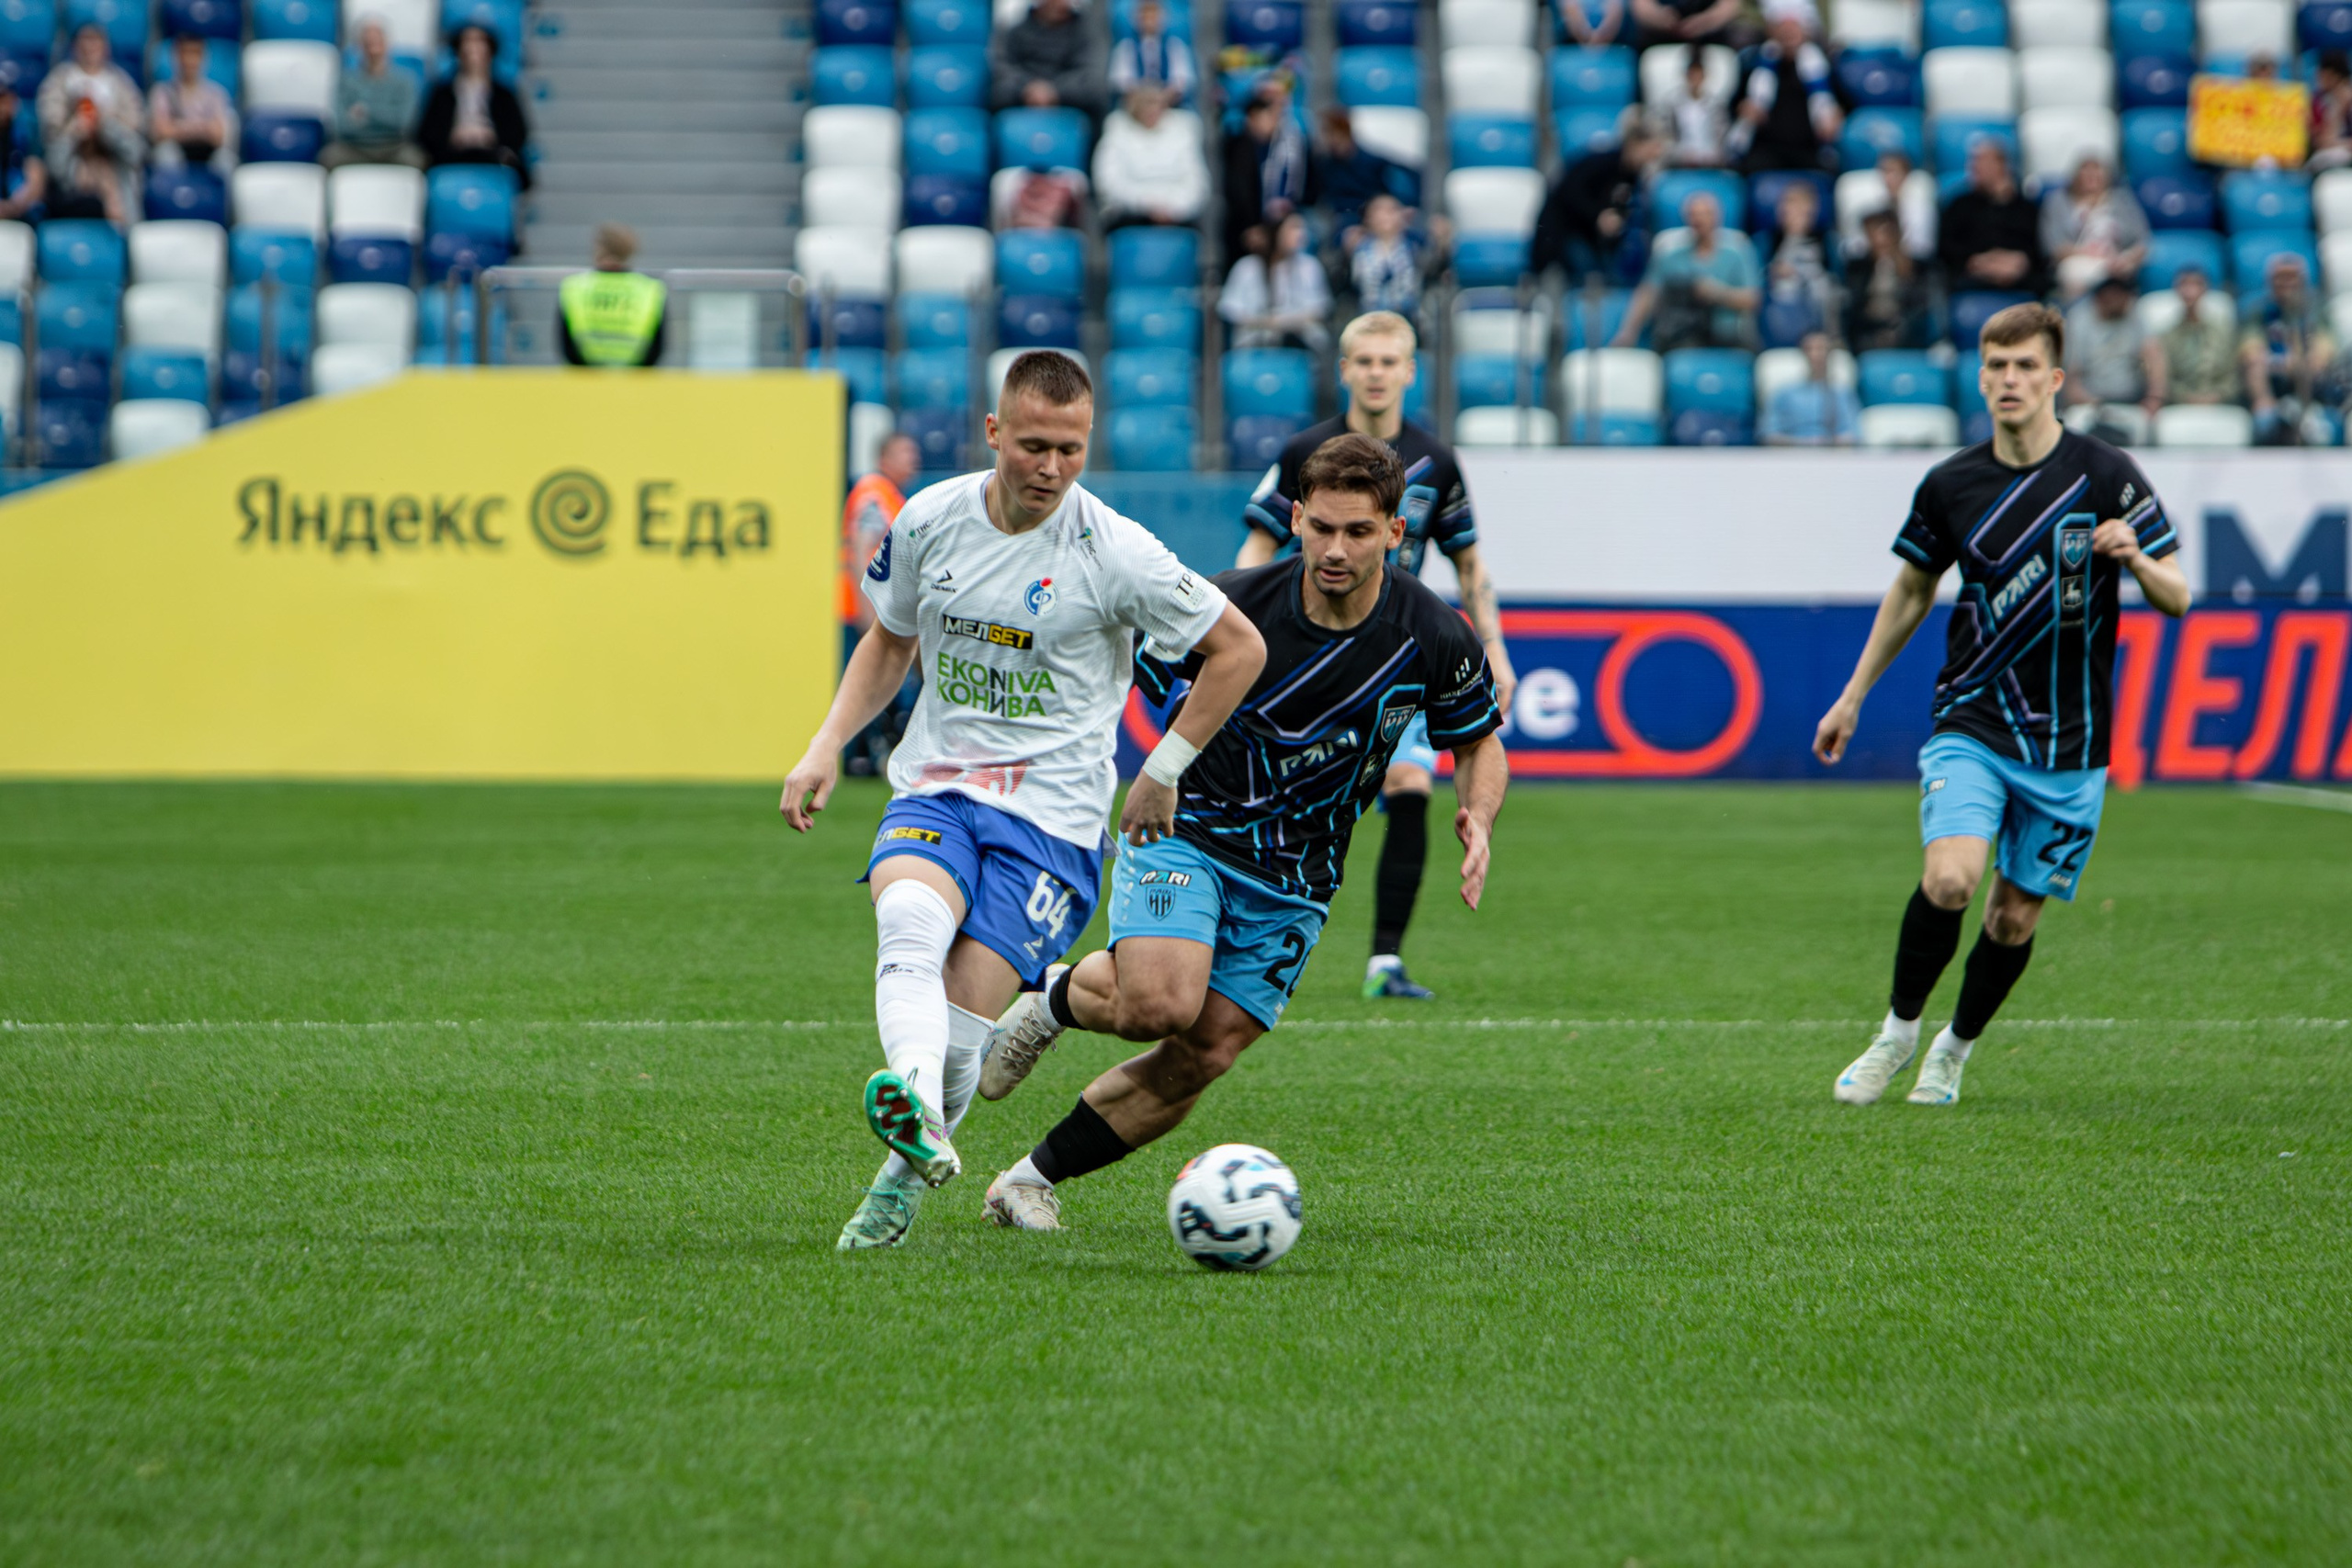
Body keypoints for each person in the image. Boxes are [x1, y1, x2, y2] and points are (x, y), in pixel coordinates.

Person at [780, 351, 1266, 1252]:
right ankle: (917, 1103)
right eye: (1033, 445)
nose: (1050, 468)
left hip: (1052, 824)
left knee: (966, 1030)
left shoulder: (1115, 551)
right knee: (909, 931)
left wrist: (1164, 765)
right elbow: (889, 640)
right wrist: (825, 744)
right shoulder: (929, 519)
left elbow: (1239, 648)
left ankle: (900, 1176)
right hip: (938, 785)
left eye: (1071, 450)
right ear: (994, 432)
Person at [974, 434, 1509, 1230]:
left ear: (1397, 533)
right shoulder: (1229, 608)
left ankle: (1025, 1180)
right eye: (1321, 526)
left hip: (1299, 879)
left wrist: (1480, 817)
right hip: (1190, 833)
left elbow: (1477, 741)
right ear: (1295, 517)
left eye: (1358, 532)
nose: (1335, 548)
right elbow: (1116, 677)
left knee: (1205, 1053)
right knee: (1160, 1002)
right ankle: (1054, 997)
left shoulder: (1432, 633)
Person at [1814, 302, 2189, 1108]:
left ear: (2055, 378)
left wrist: (2135, 556)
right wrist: (1851, 696)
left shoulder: (2106, 474)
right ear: (1980, 377)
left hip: (2072, 740)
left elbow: (2178, 593)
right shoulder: (1950, 484)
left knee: (2013, 918)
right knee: (1951, 880)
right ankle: (1898, 1034)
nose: (2009, 380)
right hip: (1974, 721)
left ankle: (1953, 1051)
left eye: (2024, 366)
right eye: (1995, 366)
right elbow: (1913, 588)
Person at [1232, 311, 1518, 999]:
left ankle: (1384, 959)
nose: (1377, 372)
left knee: (1411, 786)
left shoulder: (1437, 460)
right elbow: (1258, 546)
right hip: (1305, 651)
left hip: (1395, 656)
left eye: (1390, 361)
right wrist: (1239, 629)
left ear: (1409, 371)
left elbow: (1470, 562)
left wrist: (1496, 651)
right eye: (1364, 360)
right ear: (1345, 369)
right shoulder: (1307, 450)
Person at [839, 432, 923, 778]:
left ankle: (867, 755)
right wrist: (865, 608)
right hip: (865, 607)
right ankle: (860, 756)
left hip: (874, 606)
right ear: (884, 458)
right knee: (866, 681)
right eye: (905, 452)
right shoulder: (875, 493)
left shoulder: (891, 496)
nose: (913, 460)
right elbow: (862, 547)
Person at [1613, 188, 1760, 352]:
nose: (1699, 219)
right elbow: (1648, 292)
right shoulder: (1670, 254)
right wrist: (1628, 331)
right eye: (1694, 214)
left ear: (1718, 217)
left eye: (1705, 213)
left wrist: (1717, 293)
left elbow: (1753, 299)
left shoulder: (1738, 251)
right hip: (1683, 334)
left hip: (1728, 334)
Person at [1531, 123, 1667, 284]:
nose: (1655, 154)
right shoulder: (1601, 162)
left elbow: (1621, 205)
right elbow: (1568, 192)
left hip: (1593, 238)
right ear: (1635, 144)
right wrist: (1598, 216)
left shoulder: (1632, 176)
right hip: (1566, 234)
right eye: (1652, 147)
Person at [38, 24, 143, 220]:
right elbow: (51, 126)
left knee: (131, 159)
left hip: (112, 157)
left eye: (96, 40)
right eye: (85, 40)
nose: (90, 46)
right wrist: (76, 127)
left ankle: (125, 229)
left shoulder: (121, 82)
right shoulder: (59, 80)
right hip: (74, 157)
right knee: (56, 159)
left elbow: (134, 130)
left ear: (106, 47)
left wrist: (104, 125)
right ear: (74, 46)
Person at [1725, 0, 1840, 174]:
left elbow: (1838, 106)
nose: (1788, 33)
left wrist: (1834, 119)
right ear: (1772, 31)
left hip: (1808, 149)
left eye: (1793, 27)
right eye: (1783, 27)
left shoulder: (1823, 66)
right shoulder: (1753, 63)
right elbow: (1734, 105)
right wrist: (1744, 110)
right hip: (1767, 149)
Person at [2240, 252, 2340, 445]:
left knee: (2320, 431)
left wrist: (2297, 362)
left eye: (2292, 277)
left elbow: (2324, 353)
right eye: (2280, 277)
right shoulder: (2257, 310)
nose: (2286, 284)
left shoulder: (2316, 310)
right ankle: (2264, 405)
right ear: (2270, 281)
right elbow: (2250, 352)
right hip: (2272, 387)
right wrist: (2287, 362)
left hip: (2310, 389)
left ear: (2303, 281)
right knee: (2264, 423)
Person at [421, 24, 531, 188]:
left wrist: (489, 136)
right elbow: (426, 132)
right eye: (467, 41)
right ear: (458, 50)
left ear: (490, 50)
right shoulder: (442, 92)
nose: (472, 48)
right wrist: (455, 136)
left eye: (479, 41)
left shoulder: (504, 94)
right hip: (451, 154)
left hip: (492, 152)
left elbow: (519, 133)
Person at [1939, 138, 2047, 299]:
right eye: (1973, 162)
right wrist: (1977, 261)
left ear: (2001, 165)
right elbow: (1945, 247)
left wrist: (2018, 261)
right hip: (1971, 277)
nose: (1974, 167)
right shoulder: (1959, 205)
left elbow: (2039, 249)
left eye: (1982, 162)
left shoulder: (2026, 208)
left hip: (2020, 278)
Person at [1091, 85, 1207, 228]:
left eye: (1157, 104)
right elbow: (1108, 183)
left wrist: (1172, 208)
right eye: (1147, 103)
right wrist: (1147, 206)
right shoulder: (1117, 129)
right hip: (1129, 214)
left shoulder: (1183, 130)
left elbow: (1196, 184)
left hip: (1178, 215)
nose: (1152, 110)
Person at [2062, 272, 2156, 437]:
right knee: (2077, 424)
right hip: (2091, 402)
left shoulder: (2136, 316)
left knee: (2147, 426)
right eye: (2112, 295)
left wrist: (2154, 397)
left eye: (2122, 295)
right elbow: (2072, 373)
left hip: (2131, 401)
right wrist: (2091, 402)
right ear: (2100, 297)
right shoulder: (2079, 320)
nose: (2118, 300)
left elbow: (2153, 358)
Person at [1218, 211, 1330, 351]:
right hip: (1254, 343)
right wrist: (1266, 323)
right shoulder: (1246, 267)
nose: (1301, 234)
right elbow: (1232, 312)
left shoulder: (1311, 266)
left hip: (1301, 341)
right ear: (1275, 232)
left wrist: (1283, 323)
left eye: (1302, 228)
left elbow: (1319, 311)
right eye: (1294, 228)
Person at [2041, 157, 2149, 301]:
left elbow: (2142, 240)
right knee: (2072, 272)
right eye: (2085, 169)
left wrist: (2125, 259)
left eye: (2096, 169)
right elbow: (2054, 247)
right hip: (2077, 262)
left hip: (2118, 261)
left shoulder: (2123, 199)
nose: (2091, 175)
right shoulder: (2057, 202)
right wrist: (2090, 253)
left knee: (2125, 271)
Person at [557, 224, 666, 366]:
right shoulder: (651, 289)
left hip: (586, 381)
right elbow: (656, 348)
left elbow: (567, 347)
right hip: (633, 382)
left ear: (598, 249)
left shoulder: (574, 286)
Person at [324, 15, 424, 169]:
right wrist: (387, 114)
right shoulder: (346, 80)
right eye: (368, 42)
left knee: (416, 160)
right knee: (329, 157)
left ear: (387, 43)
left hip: (394, 147)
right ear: (359, 46)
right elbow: (342, 126)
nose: (373, 47)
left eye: (377, 41)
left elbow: (403, 123)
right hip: (353, 148)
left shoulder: (405, 80)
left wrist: (366, 113)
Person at [1222, 85, 1307, 260]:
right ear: (1252, 117)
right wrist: (1252, 226)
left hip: (1282, 219)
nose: (1276, 121)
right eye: (1270, 115)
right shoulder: (1240, 147)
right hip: (1246, 226)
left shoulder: (1287, 146)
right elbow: (1239, 192)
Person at [989, 0, 1107, 118]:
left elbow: (1091, 74)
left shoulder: (1088, 31)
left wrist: (1054, 92)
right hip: (1019, 102)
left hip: (1069, 105)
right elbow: (1002, 67)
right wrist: (1028, 89)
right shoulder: (1014, 27)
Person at [1843, 208, 1939, 351]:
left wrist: (1896, 330)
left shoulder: (1917, 268)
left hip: (1907, 334)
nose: (1879, 240)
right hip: (1868, 335)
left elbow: (1920, 308)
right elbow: (1854, 308)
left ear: (1896, 235)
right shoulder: (1857, 269)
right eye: (1872, 233)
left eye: (1884, 233)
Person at [2148, 265, 2238, 406]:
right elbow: (2165, 379)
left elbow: (2235, 374)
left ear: (2206, 289)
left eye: (2195, 284)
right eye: (2183, 284)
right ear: (2176, 290)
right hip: (2181, 403)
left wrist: (2218, 396)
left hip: (2221, 402)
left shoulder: (2224, 331)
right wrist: (2187, 398)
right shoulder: (2166, 336)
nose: (2189, 290)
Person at [148, 33, 234, 171]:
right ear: (175, 56)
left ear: (204, 57)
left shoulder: (217, 93)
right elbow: (161, 131)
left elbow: (219, 134)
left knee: (226, 159)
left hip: (208, 152)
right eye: (185, 53)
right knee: (165, 154)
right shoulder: (162, 92)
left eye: (195, 54)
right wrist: (203, 127)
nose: (189, 60)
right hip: (177, 150)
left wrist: (179, 127)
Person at [1761, 177, 1832, 338]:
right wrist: (1792, 239)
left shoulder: (1827, 242)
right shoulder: (1766, 241)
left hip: (1817, 322)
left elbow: (1833, 282)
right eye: (1786, 203)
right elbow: (1758, 283)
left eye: (1798, 204)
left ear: (1813, 209)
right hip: (1777, 321)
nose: (1789, 210)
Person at [1759, 328, 1858, 445]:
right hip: (1792, 456)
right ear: (1802, 353)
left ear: (1830, 353)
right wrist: (1805, 443)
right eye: (1810, 349)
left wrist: (1828, 444)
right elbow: (1769, 435)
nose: (1816, 355)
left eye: (1821, 349)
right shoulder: (1784, 393)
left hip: (1832, 456)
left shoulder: (1842, 393)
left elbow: (1854, 434)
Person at [1348, 193, 1436, 319]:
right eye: (1378, 211)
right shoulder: (1360, 250)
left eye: (1391, 211)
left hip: (1407, 316)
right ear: (1368, 217)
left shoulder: (1414, 248)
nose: (1385, 217)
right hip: (1370, 317)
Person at [1840, 148, 1936, 261]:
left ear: (1906, 175)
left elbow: (1923, 248)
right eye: (1884, 171)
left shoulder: (1918, 208)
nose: (1888, 178)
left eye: (1894, 171)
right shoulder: (1868, 207)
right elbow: (1852, 246)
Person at [1649, 45, 1730, 167]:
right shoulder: (1671, 103)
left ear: (1704, 76)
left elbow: (1723, 137)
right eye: (1692, 75)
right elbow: (1664, 135)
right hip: (1678, 159)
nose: (1695, 80)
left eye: (1698, 75)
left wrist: (1712, 154)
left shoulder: (1717, 105)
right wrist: (1679, 152)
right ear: (1686, 76)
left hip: (1711, 159)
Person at [1107, 0, 1195, 103]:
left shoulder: (1175, 46)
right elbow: (1121, 82)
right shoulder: (1126, 46)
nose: (1149, 22)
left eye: (1154, 17)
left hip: (1168, 105)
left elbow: (1182, 81)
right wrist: (1144, 100)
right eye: (1145, 17)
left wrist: (1160, 100)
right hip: (1135, 107)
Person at [0, 80, 49, 221]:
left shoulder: (28, 127)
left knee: (36, 213)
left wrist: (13, 206)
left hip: (19, 208)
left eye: (4, 100)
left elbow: (36, 178)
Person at [1631, 0, 1747, 50]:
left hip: (1710, 37)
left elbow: (1730, 6)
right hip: (1661, 36)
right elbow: (1641, 6)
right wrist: (1659, 17)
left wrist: (1706, 21)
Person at [2311, 50, 2352, 169]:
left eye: (2322, 74)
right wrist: (2338, 109)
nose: (2318, 77)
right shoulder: (2319, 101)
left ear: (2335, 76)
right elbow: (2322, 143)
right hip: (2332, 158)